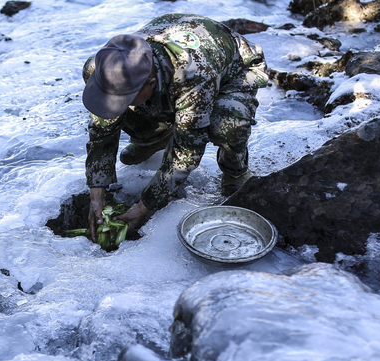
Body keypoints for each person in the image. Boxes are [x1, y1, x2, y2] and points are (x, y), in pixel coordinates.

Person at [81, 14, 268, 241]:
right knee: (123, 107)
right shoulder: (105, 66)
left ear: (150, 84)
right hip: (169, 76)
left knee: (227, 125)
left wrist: (144, 206)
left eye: (126, 97)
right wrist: (96, 192)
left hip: (234, 70)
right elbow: (102, 128)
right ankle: (153, 138)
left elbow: (186, 151)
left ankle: (235, 169)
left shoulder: (194, 76)